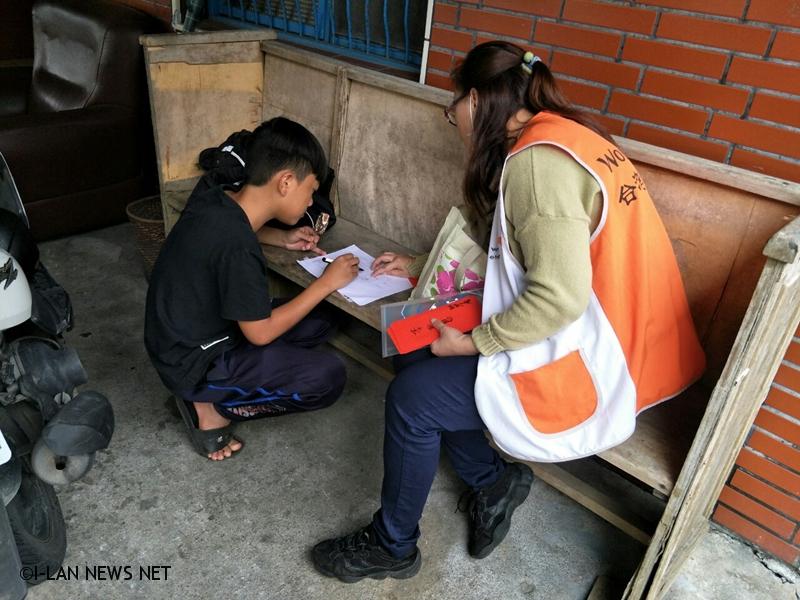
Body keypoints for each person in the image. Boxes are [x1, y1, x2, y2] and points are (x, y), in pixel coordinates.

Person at [311, 41, 704, 582]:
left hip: (603, 365)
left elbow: (558, 297)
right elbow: (516, 244)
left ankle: (392, 545)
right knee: (412, 349)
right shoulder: (566, 136)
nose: (454, 120)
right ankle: (493, 483)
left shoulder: (539, 164)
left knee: (412, 400)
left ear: (475, 100)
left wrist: (474, 343)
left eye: (453, 108)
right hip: (622, 339)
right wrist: (419, 264)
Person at [144, 117, 360, 462]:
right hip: (192, 360)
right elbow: (260, 334)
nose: (311, 203)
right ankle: (211, 406)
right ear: (286, 182)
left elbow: (238, 228)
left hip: (179, 335)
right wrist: (326, 283)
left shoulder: (215, 198)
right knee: (327, 378)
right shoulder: (239, 251)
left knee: (323, 319)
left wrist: (282, 238)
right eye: (311, 190)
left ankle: (228, 382)